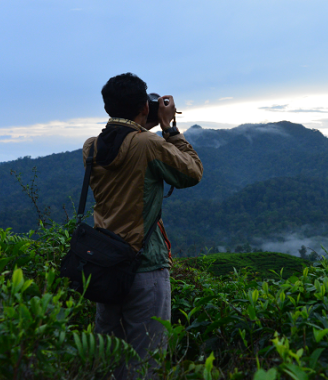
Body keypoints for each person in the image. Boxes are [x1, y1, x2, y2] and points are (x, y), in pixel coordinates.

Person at [83, 73, 203, 379]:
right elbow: (191, 172)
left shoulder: (92, 147)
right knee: (145, 363)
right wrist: (169, 128)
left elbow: (126, 141)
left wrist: (141, 119)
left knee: (107, 362)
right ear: (142, 107)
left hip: (105, 267)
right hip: (144, 267)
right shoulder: (148, 144)